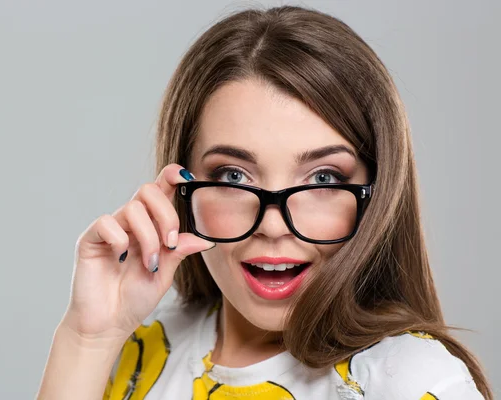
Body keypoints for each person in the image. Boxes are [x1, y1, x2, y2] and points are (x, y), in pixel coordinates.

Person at [37, 5, 492, 399]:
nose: (273, 226)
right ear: (182, 185)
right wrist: (88, 338)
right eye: (234, 176)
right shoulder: (140, 354)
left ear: (378, 193)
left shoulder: (410, 380)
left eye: (323, 178)